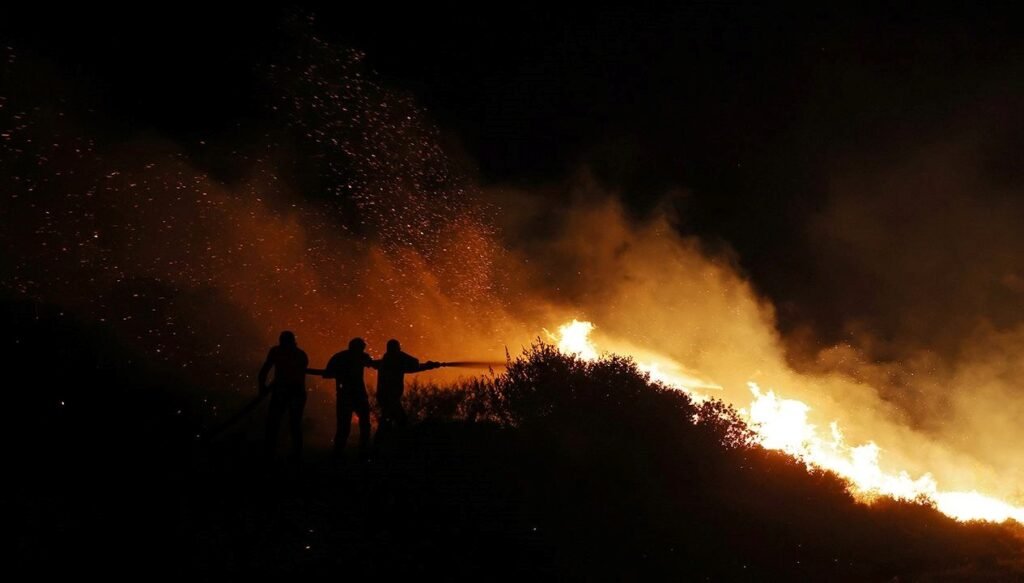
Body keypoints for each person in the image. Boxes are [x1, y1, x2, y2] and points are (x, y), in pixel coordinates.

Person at [374, 339, 440, 447]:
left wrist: (429, 366)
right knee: (399, 422)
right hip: (390, 399)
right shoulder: (394, 362)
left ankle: (381, 448)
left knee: (388, 422)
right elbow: (414, 364)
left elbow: (412, 366)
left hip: (386, 398)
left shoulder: (386, 362)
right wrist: (429, 366)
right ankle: (396, 448)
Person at [321, 337, 378, 460]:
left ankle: (339, 453)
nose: (362, 350)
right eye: (361, 348)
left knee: (344, 426)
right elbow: (372, 364)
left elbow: (327, 374)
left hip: (345, 395)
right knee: (363, 425)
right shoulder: (361, 356)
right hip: (357, 395)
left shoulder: (339, 357)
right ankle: (361, 452)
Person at [258, 331, 309, 461]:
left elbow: (265, 369)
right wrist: (262, 386)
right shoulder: (300, 354)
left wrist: (262, 387)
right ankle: (295, 454)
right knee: (292, 423)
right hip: (295, 391)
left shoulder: (277, 351)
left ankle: (270, 452)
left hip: (284, 391)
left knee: (275, 422)